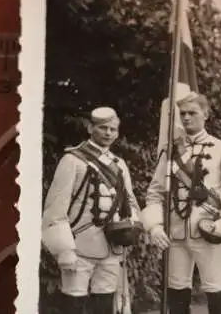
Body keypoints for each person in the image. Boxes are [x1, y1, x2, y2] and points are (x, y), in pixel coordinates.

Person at [141, 92, 221, 314]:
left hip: (209, 231)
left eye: (193, 113)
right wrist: (154, 225)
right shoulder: (170, 152)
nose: (187, 118)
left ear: (206, 115)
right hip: (176, 233)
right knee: (177, 296)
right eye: (183, 114)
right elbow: (154, 193)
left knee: (216, 293)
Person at [41, 107, 142, 314]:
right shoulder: (72, 160)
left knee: (104, 303)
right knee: (73, 302)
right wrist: (64, 249)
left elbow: (129, 201)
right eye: (103, 128)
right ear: (90, 128)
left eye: (113, 129)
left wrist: (131, 227)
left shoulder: (119, 164)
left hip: (113, 244)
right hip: (79, 245)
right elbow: (55, 207)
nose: (108, 133)